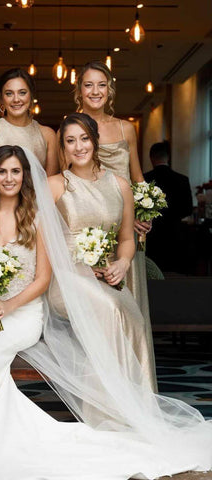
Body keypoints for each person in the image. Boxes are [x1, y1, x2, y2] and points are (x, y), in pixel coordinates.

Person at [0, 145, 212, 480]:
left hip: (23, 313)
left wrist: (8, 305)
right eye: (2, 172)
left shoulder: (37, 216)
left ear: (24, 177)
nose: (8, 178)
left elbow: (43, 279)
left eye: (15, 171)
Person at [48, 113, 156, 391]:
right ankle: (106, 410)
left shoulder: (120, 185)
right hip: (65, 278)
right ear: (63, 147)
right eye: (70, 141)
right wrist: (77, 270)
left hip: (105, 275)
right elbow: (39, 241)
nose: (79, 146)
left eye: (84, 138)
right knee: (109, 309)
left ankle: (135, 403)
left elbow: (126, 239)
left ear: (95, 142)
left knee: (132, 315)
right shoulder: (55, 185)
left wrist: (122, 262)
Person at [74, 60, 152, 343]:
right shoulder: (70, 128)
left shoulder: (126, 128)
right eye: (89, 84)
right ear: (79, 90)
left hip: (126, 227)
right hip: (89, 232)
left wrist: (146, 211)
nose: (95, 91)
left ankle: (134, 378)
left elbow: (137, 176)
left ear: (110, 90)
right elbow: (66, 181)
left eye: (101, 85)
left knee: (130, 309)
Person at [0, 68, 58, 175]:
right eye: (9, 94)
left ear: (31, 96)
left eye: (22, 93)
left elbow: (50, 185)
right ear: (1, 98)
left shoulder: (48, 135)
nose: (16, 99)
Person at [144, 141, 193, 272]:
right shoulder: (182, 179)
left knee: (154, 273)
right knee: (175, 272)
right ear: (168, 158)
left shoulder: (145, 179)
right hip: (175, 232)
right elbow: (188, 209)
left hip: (152, 233)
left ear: (151, 158)